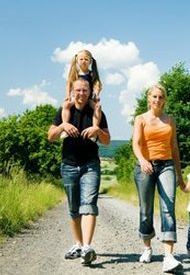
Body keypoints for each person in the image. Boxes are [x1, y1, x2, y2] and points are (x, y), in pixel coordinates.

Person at [47, 78, 111, 266]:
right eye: (78, 90)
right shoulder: (64, 110)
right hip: (68, 165)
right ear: (72, 91)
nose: (81, 93)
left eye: (85, 90)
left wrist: (97, 129)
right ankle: (78, 243)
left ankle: (87, 247)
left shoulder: (97, 112)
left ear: (90, 91)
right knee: (74, 208)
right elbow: (50, 136)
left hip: (90, 165)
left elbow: (107, 140)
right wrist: (62, 126)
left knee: (89, 204)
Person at [132, 84, 185, 273]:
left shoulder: (170, 120)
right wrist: (142, 160)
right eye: (154, 96)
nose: (157, 100)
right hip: (145, 166)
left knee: (168, 207)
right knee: (146, 210)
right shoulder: (140, 119)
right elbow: (136, 144)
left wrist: (180, 175)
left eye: (161, 97)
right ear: (149, 98)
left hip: (167, 165)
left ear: (165, 100)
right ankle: (147, 247)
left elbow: (175, 148)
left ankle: (169, 256)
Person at [60, 49, 102, 140]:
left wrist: (97, 94)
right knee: (66, 105)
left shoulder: (92, 74)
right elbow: (69, 84)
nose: (84, 61)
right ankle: (65, 126)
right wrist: (67, 96)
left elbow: (97, 85)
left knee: (97, 107)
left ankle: (94, 129)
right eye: (81, 59)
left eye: (86, 59)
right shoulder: (75, 73)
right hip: (75, 98)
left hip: (88, 98)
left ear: (90, 61)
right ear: (77, 60)